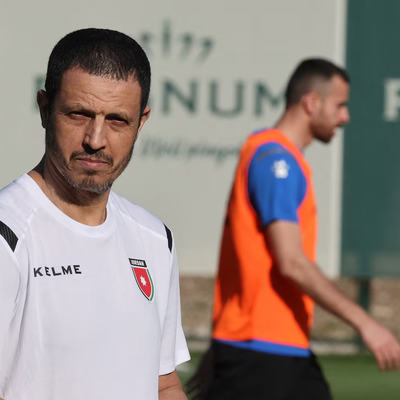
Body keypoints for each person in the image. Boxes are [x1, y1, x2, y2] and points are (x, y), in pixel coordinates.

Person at [188, 58, 400, 400]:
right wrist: (366, 323)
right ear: (311, 103)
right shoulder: (277, 161)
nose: (345, 117)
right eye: (340, 105)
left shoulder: (274, 156)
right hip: (261, 352)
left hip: (271, 349)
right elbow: (292, 261)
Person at [0, 28, 190, 400]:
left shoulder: (155, 238)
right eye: (78, 114)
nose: (95, 140)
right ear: (45, 109)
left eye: (117, 120)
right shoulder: (8, 234)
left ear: (141, 122)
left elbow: (163, 383)